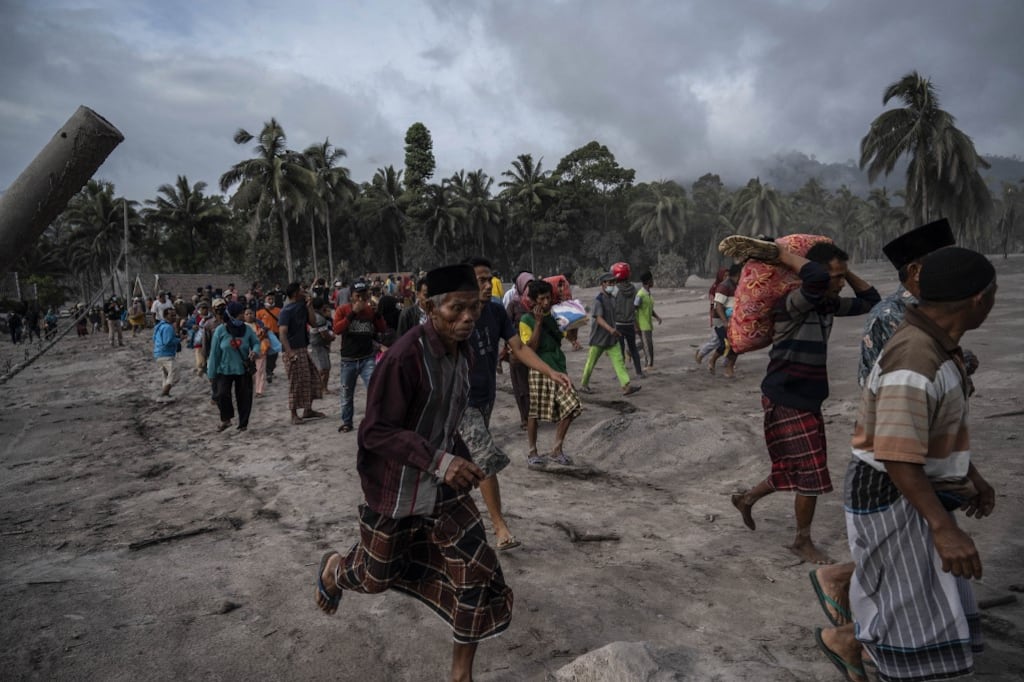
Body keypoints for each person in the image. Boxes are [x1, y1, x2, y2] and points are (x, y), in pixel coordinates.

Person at [314, 264, 512, 682]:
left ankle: (460, 673)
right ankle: (335, 568)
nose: (468, 318)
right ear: (430, 307)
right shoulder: (404, 357)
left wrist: (461, 460)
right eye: (457, 309)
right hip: (398, 486)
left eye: (474, 308)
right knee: (375, 576)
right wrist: (441, 461)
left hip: (443, 487)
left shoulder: (464, 352)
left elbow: (445, 419)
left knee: (476, 569)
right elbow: (375, 432)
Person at [815, 247, 997, 682]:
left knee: (917, 596)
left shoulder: (937, 346)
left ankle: (850, 641)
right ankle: (848, 641)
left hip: (912, 486)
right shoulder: (915, 359)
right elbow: (895, 454)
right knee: (907, 608)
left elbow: (933, 428)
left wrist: (970, 475)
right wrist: (943, 527)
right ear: (979, 299)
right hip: (892, 489)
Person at [808, 219, 960, 636]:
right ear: (916, 271)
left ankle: (851, 602)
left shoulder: (928, 310)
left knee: (910, 540)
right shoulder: (894, 315)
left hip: (922, 435)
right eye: (943, 263)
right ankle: (850, 606)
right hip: (898, 440)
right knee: (905, 540)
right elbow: (894, 390)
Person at [730, 238, 879, 564]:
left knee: (791, 467)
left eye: (842, 277)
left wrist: (844, 272)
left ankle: (746, 499)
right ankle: (802, 541)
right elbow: (814, 279)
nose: (840, 284)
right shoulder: (792, 303)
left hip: (806, 397)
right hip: (786, 395)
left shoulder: (826, 305)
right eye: (835, 277)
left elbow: (871, 300)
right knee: (811, 472)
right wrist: (783, 256)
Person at [463, 257, 572, 549]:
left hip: (485, 398)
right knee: (485, 456)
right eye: (480, 280)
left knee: (463, 459)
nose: (488, 285)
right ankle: (500, 528)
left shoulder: (496, 312)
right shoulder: (457, 315)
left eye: (489, 279)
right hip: (460, 402)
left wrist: (550, 372)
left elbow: (519, 348)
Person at [519, 278, 582, 467]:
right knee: (535, 412)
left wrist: (575, 321)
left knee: (573, 405)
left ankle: (556, 448)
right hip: (538, 368)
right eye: (541, 299)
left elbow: (570, 336)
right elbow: (530, 348)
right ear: (533, 301)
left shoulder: (556, 315)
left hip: (558, 366)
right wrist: (538, 324)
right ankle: (532, 451)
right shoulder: (525, 320)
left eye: (548, 298)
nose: (546, 302)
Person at [332, 281, 387, 432]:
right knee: (346, 394)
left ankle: (375, 421)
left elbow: (382, 329)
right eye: (358, 296)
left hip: (367, 358)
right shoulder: (343, 310)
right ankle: (347, 422)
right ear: (351, 296)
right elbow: (337, 329)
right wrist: (353, 313)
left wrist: (377, 314)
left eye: (364, 295)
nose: (361, 299)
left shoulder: (369, 311)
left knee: (375, 390)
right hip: (348, 360)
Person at [580, 272, 641, 397]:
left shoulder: (613, 299)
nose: (612, 285)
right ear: (603, 284)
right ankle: (584, 384)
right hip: (599, 338)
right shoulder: (598, 300)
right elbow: (598, 318)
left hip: (611, 339)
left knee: (619, 361)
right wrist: (611, 329)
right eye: (610, 283)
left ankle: (626, 386)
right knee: (591, 362)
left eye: (614, 282)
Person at [207, 301, 260, 432]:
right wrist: (211, 373)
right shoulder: (220, 330)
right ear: (232, 315)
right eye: (240, 314)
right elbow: (214, 354)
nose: (243, 316)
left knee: (244, 397)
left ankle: (243, 424)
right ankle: (226, 419)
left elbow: (256, 343)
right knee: (221, 394)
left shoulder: (247, 329)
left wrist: (255, 351)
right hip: (224, 369)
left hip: (243, 369)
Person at [278, 282, 325, 425]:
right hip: (293, 350)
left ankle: (307, 409)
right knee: (296, 382)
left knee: (312, 378)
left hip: (303, 348)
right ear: (295, 294)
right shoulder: (286, 311)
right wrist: (290, 352)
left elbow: (313, 323)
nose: (304, 292)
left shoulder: (303, 307)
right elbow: (282, 334)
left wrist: (309, 306)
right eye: (301, 290)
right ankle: (293, 414)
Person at [610, 261, 644, 378]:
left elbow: (611, 305)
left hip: (618, 324)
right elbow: (636, 305)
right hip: (630, 323)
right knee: (633, 348)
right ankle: (639, 372)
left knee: (620, 351)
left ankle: (620, 373)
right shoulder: (634, 289)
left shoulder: (615, 290)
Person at [707, 264, 741, 377]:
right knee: (725, 344)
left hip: (734, 319)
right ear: (737, 274)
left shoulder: (739, 285)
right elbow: (718, 306)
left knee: (737, 344)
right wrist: (725, 322)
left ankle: (729, 367)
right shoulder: (724, 286)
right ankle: (713, 360)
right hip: (721, 320)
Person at [695, 267, 729, 366]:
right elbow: (715, 306)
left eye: (728, 275)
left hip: (727, 317)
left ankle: (727, 360)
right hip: (718, 318)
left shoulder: (729, 286)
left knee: (726, 340)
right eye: (725, 275)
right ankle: (702, 353)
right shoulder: (715, 288)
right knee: (718, 341)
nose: (727, 278)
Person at [633, 271, 662, 370]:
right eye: (652, 280)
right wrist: (636, 325)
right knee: (648, 345)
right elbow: (634, 309)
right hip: (642, 324)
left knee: (646, 343)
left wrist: (657, 317)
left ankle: (630, 352)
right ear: (648, 281)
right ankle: (649, 365)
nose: (653, 282)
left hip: (648, 323)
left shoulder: (648, 293)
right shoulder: (640, 295)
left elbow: (649, 308)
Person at [153, 307, 183, 399]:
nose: (174, 317)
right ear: (166, 316)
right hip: (166, 354)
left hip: (158, 354)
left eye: (175, 315)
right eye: (172, 315)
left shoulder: (160, 326)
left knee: (166, 375)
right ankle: (164, 394)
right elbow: (167, 341)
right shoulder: (167, 327)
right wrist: (179, 339)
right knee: (175, 373)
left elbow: (154, 339)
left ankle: (166, 394)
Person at [308, 297, 335, 396]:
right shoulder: (320, 319)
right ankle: (322, 388)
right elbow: (324, 335)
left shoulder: (313, 316)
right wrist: (332, 338)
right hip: (319, 346)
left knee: (322, 368)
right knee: (324, 368)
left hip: (314, 345)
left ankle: (320, 388)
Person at [256, 294, 281, 385]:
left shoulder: (279, 310)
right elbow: (256, 324)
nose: (271, 300)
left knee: (275, 353)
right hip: (265, 335)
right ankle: (267, 371)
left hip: (276, 334)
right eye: (269, 299)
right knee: (265, 352)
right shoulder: (260, 312)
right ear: (265, 301)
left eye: (272, 299)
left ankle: (270, 369)